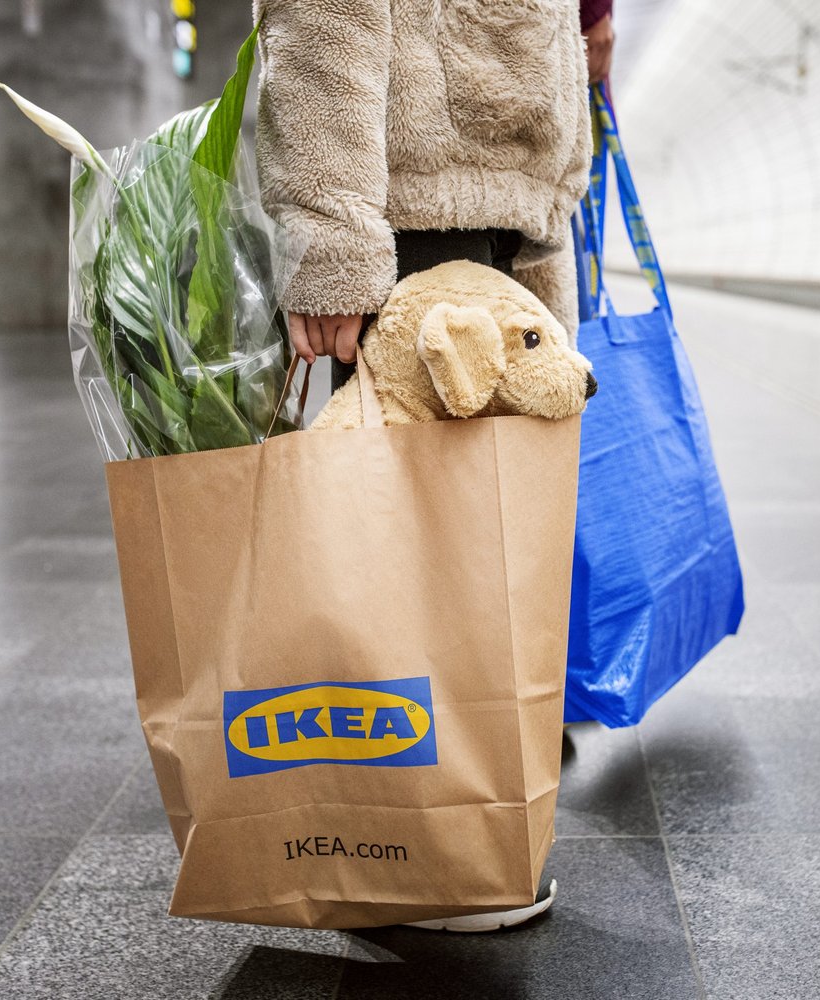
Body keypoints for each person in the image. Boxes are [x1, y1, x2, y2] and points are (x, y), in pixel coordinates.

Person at [253, 0, 613, 931]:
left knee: (466, 548)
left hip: (504, 187)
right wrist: (331, 241)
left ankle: (453, 826)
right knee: (408, 548)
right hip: (413, 185)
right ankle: (415, 842)